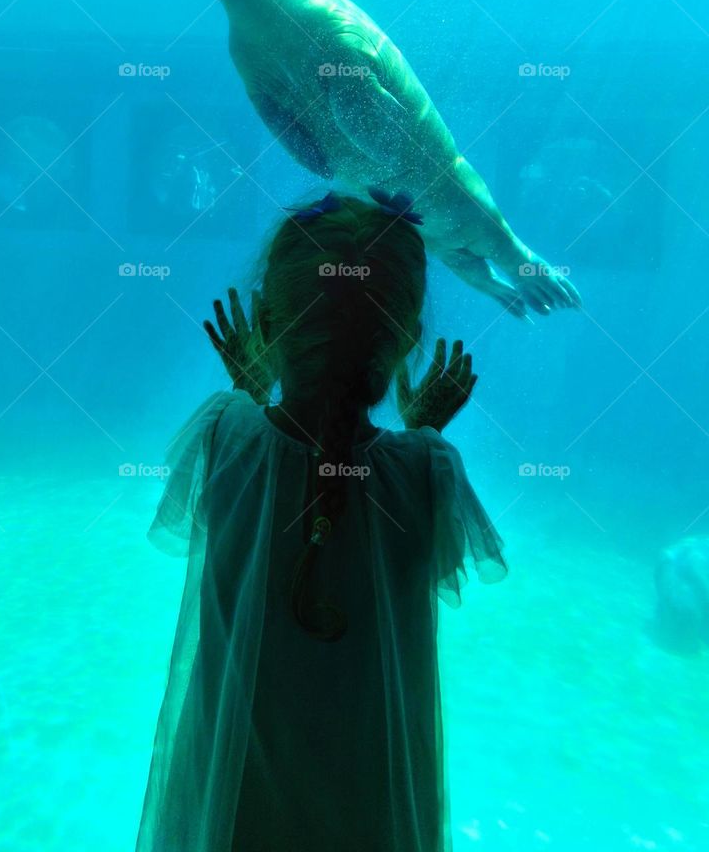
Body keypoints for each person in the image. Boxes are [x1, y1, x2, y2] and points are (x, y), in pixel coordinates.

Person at [135, 190, 508, 852]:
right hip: (368, 813)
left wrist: (253, 391)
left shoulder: (223, 437)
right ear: (406, 341)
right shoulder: (425, 471)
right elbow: (431, 561)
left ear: (264, 321)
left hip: (236, 810)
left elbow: (263, 473)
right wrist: (421, 429)